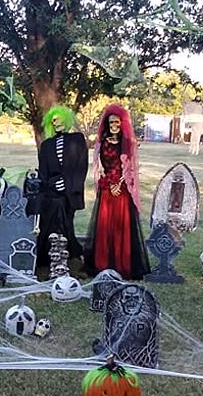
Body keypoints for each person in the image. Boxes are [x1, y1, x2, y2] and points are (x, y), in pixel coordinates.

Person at [83, 104, 150, 279]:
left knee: (121, 227)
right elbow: (101, 167)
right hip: (106, 190)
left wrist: (119, 184)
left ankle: (122, 264)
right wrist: (108, 183)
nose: (114, 125)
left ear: (122, 123)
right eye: (111, 122)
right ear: (107, 123)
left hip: (121, 192)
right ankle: (103, 264)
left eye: (117, 122)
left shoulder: (128, 143)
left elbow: (130, 169)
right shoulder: (102, 143)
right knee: (105, 227)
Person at [35, 105, 88, 270]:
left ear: (67, 120)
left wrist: (70, 185)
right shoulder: (46, 145)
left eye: (59, 119)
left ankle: (69, 254)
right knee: (52, 212)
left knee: (66, 218)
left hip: (71, 191)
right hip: (51, 192)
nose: (56, 123)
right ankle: (50, 255)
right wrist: (51, 185)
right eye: (53, 121)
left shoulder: (77, 139)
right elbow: (43, 172)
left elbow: (81, 166)